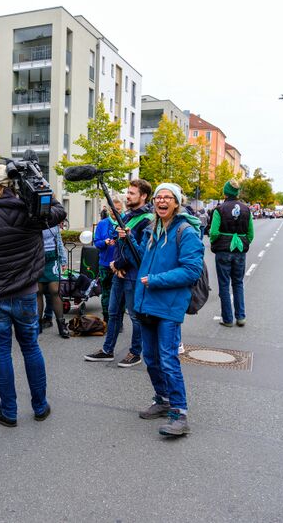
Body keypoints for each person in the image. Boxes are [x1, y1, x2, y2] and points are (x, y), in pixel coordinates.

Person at [0, 161, 66, 427]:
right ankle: (40, 406)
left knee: (2, 353)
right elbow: (59, 210)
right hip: (26, 294)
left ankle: (8, 411)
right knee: (31, 348)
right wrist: (40, 181)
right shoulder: (32, 213)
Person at [134, 183, 204, 436]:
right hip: (147, 303)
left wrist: (156, 280)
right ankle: (162, 399)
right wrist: (126, 240)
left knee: (168, 359)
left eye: (167, 197)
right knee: (151, 358)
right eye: (158, 197)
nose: (161, 201)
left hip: (169, 305)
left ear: (176, 202)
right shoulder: (152, 229)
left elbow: (192, 271)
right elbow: (142, 260)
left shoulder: (186, 232)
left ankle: (179, 413)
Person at [84, 179, 153, 368]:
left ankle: (135, 353)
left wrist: (118, 263)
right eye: (128, 192)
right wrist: (115, 265)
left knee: (135, 316)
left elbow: (141, 253)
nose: (127, 196)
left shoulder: (148, 220)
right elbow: (119, 244)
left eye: (131, 193)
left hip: (133, 275)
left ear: (143, 196)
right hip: (120, 273)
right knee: (113, 313)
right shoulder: (128, 216)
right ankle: (107, 350)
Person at [209, 179, 254, 327]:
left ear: (225, 192)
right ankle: (241, 317)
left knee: (224, 285)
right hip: (239, 251)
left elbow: (213, 232)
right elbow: (250, 234)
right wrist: (242, 242)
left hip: (223, 251)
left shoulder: (219, 209)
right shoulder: (246, 210)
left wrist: (215, 242)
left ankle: (227, 319)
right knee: (238, 283)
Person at [93, 199, 123, 325]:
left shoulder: (126, 222)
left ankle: (119, 321)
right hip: (105, 264)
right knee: (106, 293)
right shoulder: (102, 224)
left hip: (121, 264)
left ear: (122, 209)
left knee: (120, 294)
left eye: (118, 209)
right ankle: (107, 319)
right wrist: (104, 242)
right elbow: (96, 242)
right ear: (109, 209)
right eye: (112, 209)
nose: (114, 212)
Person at [37, 224, 69, 338]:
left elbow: (59, 240)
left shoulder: (53, 220)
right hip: (36, 257)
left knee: (55, 290)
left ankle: (61, 325)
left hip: (52, 257)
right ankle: (37, 325)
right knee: (38, 291)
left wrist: (63, 260)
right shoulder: (32, 219)